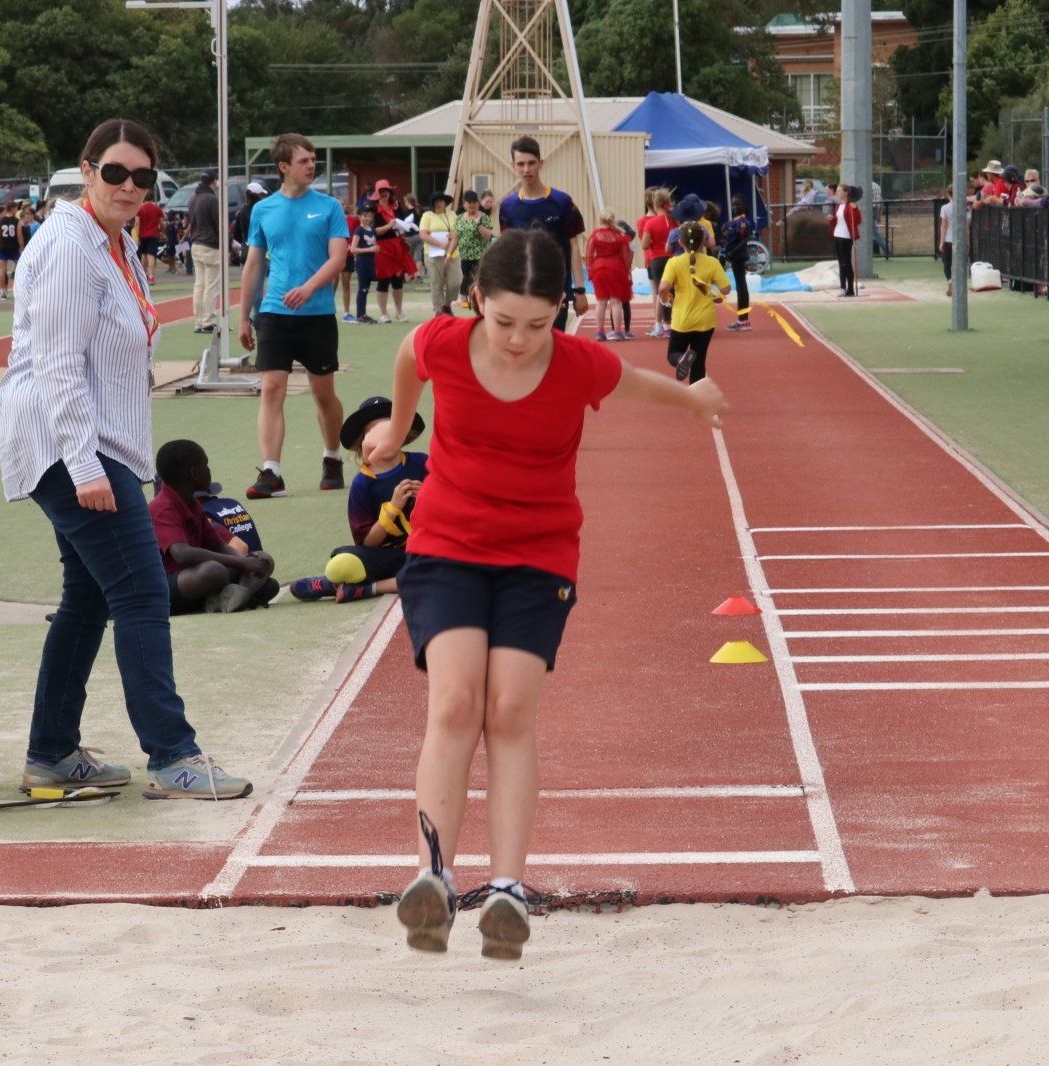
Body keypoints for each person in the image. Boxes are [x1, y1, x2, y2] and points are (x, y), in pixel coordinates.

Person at [366, 229, 729, 961]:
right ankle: (432, 880)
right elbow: (408, 357)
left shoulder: (578, 364)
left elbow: (639, 384)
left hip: (538, 553)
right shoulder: (444, 342)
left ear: (561, 311)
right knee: (457, 701)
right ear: (477, 303)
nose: (519, 340)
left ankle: (506, 889)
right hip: (446, 546)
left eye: (538, 324)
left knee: (508, 709)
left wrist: (693, 399)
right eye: (503, 323)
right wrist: (398, 427)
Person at [0, 117, 251, 801]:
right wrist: (83, 466)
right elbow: (56, 364)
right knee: (141, 590)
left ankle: (50, 753)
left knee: (87, 597)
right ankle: (173, 756)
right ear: (86, 170)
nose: (129, 186)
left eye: (143, 177)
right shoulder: (70, 246)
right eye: (115, 172)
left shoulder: (118, 245)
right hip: (64, 441)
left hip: (91, 442)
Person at [238, 132, 350, 499]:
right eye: (304, 161)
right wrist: (242, 317)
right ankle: (271, 471)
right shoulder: (263, 210)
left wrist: (308, 288)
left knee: (323, 394)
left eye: (313, 159)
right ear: (283, 167)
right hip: (273, 313)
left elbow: (338, 259)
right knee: (271, 388)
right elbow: (254, 264)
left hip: (317, 315)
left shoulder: (330, 207)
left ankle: (332, 457)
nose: (311, 165)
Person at [290, 395, 428, 604]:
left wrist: (428, 495)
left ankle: (362, 588)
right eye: (375, 433)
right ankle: (334, 581)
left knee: (451, 570)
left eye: (390, 430)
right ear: (363, 443)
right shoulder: (363, 484)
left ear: (402, 433)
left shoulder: (422, 463)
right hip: (387, 558)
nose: (384, 439)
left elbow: (453, 507)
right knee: (341, 563)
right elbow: (367, 543)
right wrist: (393, 508)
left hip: (428, 550)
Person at [150, 439, 278, 613]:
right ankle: (233, 596)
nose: (209, 471)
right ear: (195, 473)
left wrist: (247, 561)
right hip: (167, 583)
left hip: (194, 577)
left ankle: (236, 596)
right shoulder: (161, 507)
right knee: (214, 571)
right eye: (206, 466)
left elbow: (218, 545)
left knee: (263, 559)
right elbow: (183, 554)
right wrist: (241, 563)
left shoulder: (192, 504)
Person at [498, 135, 589, 332]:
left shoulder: (563, 202)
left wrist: (579, 291)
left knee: (554, 345)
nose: (526, 169)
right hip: (522, 291)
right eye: (521, 164)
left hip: (556, 291)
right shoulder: (507, 207)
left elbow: (573, 246)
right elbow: (507, 251)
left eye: (531, 163)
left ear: (541, 163)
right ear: (512, 165)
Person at [659, 220, 729, 385]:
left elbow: (663, 287)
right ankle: (699, 404)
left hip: (682, 320)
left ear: (680, 242)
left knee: (673, 354)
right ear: (703, 241)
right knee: (699, 364)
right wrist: (716, 295)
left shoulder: (674, 263)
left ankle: (682, 357)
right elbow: (726, 288)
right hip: (705, 321)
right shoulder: (712, 262)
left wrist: (666, 298)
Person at [585, 209, 634, 341]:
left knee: (600, 302)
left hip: (599, 268)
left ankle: (600, 332)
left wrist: (590, 272)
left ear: (600, 220)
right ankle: (617, 332)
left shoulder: (594, 235)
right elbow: (626, 257)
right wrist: (627, 272)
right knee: (616, 302)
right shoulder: (620, 236)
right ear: (612, 220)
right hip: (616, 268)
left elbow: (589, 255)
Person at [187, 172, 222, 333]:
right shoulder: (212, 200)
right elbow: (218, 225)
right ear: (213, 182)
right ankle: (207, 320)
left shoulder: (193, 199)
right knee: (211, 285)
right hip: (210, 245)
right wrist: (226, 245)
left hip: (196, 243)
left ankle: (198, 321)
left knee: (199, 284)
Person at [637, 189, 675, 336]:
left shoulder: (651, 223)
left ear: (655, 203)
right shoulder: (674, 221)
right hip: (672, 258)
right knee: (672, 290)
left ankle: (665, 324)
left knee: (662, 291)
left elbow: (645, 244)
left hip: (657, 258)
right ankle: (672, 321)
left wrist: (655, 242)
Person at [373, 194, 416, 322]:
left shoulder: (396, 207)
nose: (384, 196)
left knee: (398, 280)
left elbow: (403, 224)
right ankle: (384, 313)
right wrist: (389, 225)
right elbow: (374, 231)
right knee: (383, 280)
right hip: (382, 247)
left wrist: (403, 232)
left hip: (396, 245)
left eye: (386, 192)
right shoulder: (374, 210)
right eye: (381, 193)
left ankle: (399, 311)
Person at [453, 190, 494, 307]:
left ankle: (479, 301)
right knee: (466, 278)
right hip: (464, 255)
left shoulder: (483, 217)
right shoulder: (459, 218)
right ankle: (465, 301)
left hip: (479, 255)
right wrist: (449, 254)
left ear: (478, 203)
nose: (472, 204)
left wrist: (478, 225)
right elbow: (456, 237)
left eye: (474, 202)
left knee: (477, 279)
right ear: (464, 204)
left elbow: (487, 236)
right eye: (469, 202)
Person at [419, 191, 457, 318]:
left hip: (453, 252)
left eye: (441, 201)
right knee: (436, 281)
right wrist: (439, 245)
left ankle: (447, 305)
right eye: (436, 202)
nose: (439, 203)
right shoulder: (427, 215)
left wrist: (450, 249)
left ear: (445, 202)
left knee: (455, 282)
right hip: (432, 253)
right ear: (432, 204)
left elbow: (457, 234)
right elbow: (423, 234)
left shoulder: (452, 215)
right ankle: (438, 309)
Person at [720, 197, 755, 332]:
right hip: (735, 255)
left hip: (738, 256)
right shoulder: (734, 222)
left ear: (743, 206)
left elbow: (744, 240)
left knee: (741, 286)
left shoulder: (743, 222)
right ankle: (742, 319)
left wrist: (731, 252)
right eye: (733, 205)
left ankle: (743, 320)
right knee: (740, 286)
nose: (735, 207)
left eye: (737, 205)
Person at [347, 204, 380, 324]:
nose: (367, 218)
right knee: (362, 289)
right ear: (360, 217)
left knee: (366, 289)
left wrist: (376, 248)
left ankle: (363, 313)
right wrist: (369, 250)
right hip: (362, 263)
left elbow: (372, 245)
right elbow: (353, 249)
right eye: (364, 216)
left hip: (371, 262)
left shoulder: (372, 231)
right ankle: (360, 315)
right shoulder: (359, 231)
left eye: (369, 216)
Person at [832, 183, 862, 297]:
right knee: (841, 263)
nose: (837, 193)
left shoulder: (851, 206)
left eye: (839, 191)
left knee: (847, 263)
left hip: (846, 237)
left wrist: (855, 210)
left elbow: (858, 221)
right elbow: (836, 222)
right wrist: (831, 219)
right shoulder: (838, 206)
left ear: (846, 193)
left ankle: (850, 289)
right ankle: (842, 287)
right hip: (837, 235)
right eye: (837, 191)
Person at [0, 200, 22, 299]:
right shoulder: (16, 221)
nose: (17, 210)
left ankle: (3, 292)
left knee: (2, 270)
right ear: (13, 209)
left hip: (3, 247)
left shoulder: (1, 221)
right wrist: (22, 248)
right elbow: (19, 236)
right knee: (21, 268)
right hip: (13, 247)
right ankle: (21, 290)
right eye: (16, 208)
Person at [135, 193, 163, 279]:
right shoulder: (157, 209)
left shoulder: (139, 208)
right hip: (153, 234)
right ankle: (151, 276)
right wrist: (161, 230)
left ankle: (143, 275)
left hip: (142, 235)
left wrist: (137, 236)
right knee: (151, 255)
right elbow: (162, 223)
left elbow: (137, 223)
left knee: (143, 255)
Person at [936, 185, 955, 296]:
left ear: (948, 194)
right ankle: (956, 283)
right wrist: (967, 241)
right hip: (959, 240)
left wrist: (941, 242)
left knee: (947, 263)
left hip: (948, 239)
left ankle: (950, 281)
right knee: (958, 264)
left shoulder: (945, 208)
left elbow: (943, 226)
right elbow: (965, 225)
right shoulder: (963, 206)